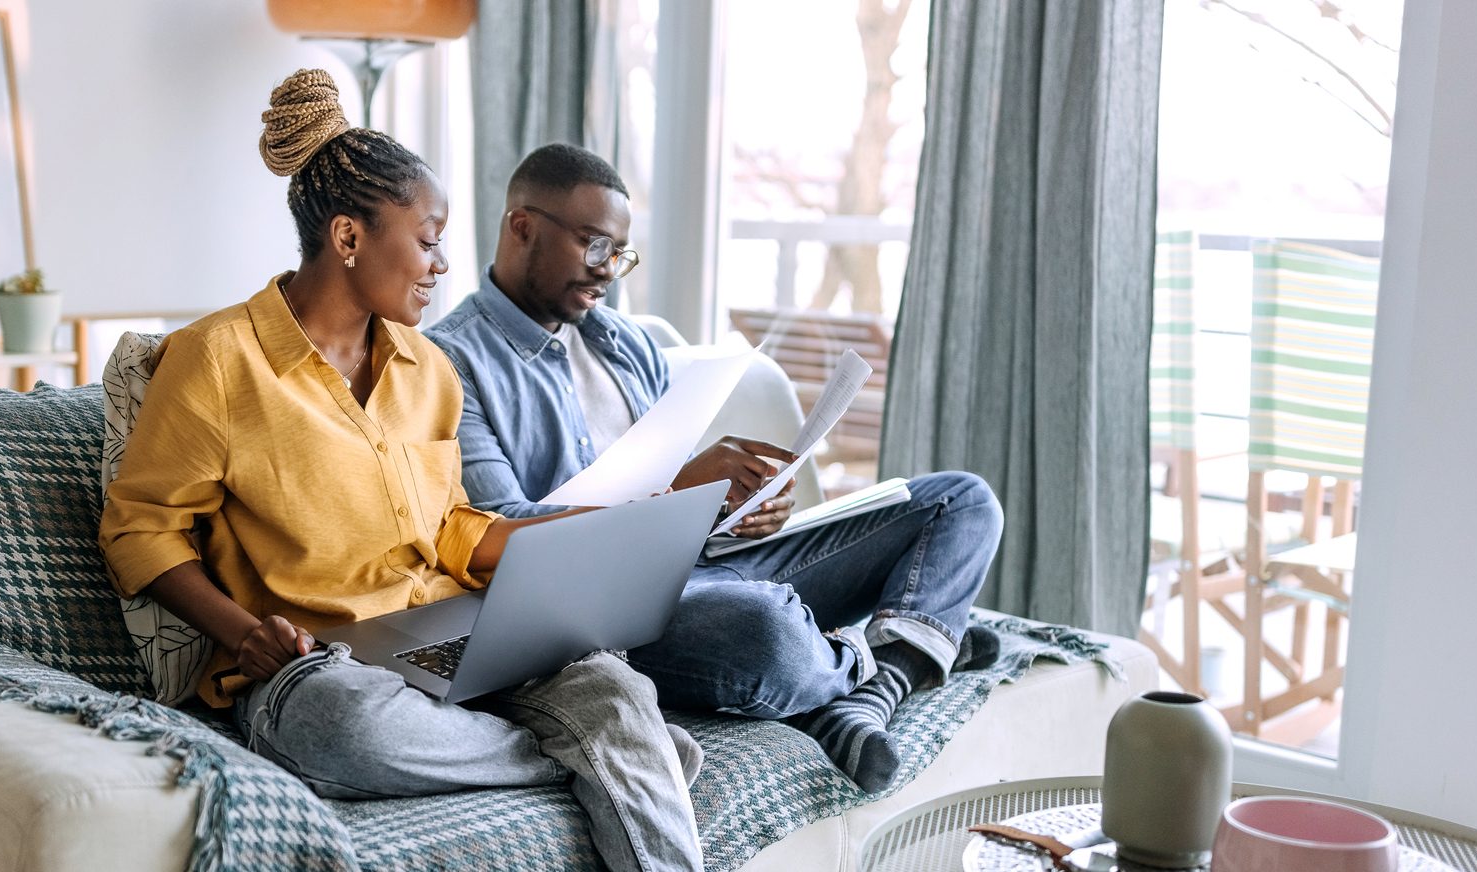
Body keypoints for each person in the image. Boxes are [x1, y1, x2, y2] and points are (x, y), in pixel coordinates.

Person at [98, 73, 703, 872]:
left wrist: (573, 538)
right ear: (348, 239)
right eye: (428, 240)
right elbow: (140, 529)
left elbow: (449, 524)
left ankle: (617, 742)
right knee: (346, 730)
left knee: (613, 686)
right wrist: (247, 636)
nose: (445, 264)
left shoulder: (428, 367)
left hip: (450, 631)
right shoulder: (218, 359)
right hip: (321, 664)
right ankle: (615, 758)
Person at [424, 143, 1004, 793]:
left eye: (621, 253)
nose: (609, 271)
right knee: (766, 630)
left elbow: (679, 502)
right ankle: (903, 651)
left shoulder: (628, 343)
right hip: (602, 613)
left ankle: (866, 690)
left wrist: (733, 509)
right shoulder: (447, 365)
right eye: (594, 247)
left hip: (707, 568)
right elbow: (499, 534)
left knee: (961, 501)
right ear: (522, 226)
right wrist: (676, 493)